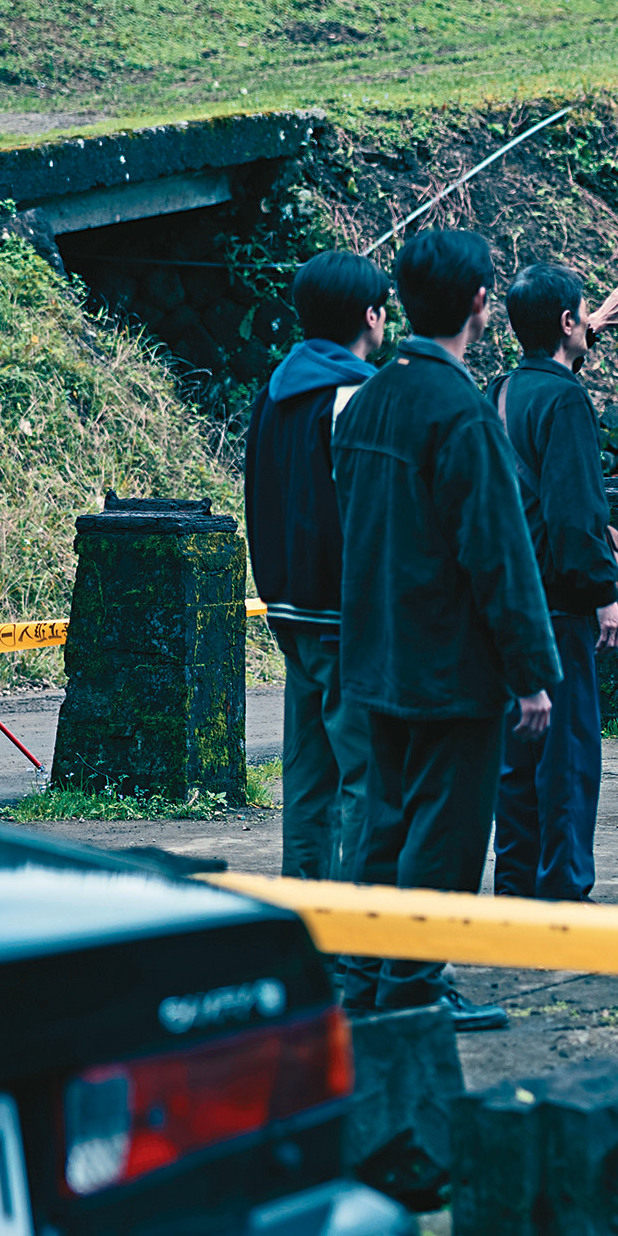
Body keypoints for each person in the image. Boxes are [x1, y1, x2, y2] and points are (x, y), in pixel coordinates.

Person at [331, 229, 561, 1031]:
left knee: (386, 823)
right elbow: (498, 554)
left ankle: (366, 981)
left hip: (377, 652)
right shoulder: (460, 411)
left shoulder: (369, 400)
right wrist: (529, 672)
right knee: (447, 830)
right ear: (479, 303)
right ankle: (414, 986)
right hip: (450, 662)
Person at [490, 262, 618, 901]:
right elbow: (575, 509)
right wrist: (602, 596)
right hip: (561, 603)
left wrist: (598, 325)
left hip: (510, 596)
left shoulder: (503, 389)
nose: (590, 322)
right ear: (565, 323)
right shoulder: (565, 401)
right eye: (583, 315)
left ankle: (516, 881)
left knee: (517, 754)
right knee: (568, 752)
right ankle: (562, 886)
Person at [245, 250, 384, 886]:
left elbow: (259, 495)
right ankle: (360, 935)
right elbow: (370, 513)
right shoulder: (356, 396)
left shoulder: (274, 393)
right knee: (367, 780)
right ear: (371, 315)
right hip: (345, 616)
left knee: (308, 780)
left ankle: (308, 918)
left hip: (289, 609)